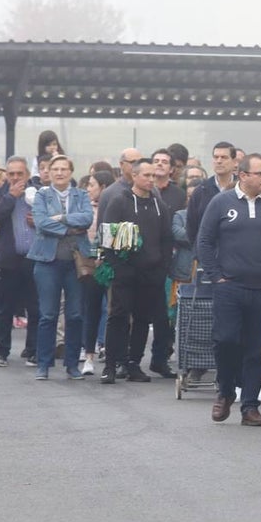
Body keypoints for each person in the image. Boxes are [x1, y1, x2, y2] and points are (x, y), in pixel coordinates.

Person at [197, 153, 261, 426]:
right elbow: (204, 241)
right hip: (229, 287)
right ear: (243, 175)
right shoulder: (221, 203)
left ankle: (250, 406)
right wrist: (215, 276)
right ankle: (226, 391)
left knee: (256, 348)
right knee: (226, 340)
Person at [99, 158, 174, 384]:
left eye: (154, 176)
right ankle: (111, 365)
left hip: (151, 274)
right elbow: (107, 237)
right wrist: (117, 267)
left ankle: (133, 364)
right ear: (134, 176)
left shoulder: (159, 205)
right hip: (124, 272)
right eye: (147, 175)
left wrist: (162, 269)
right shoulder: (119, 202)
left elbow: (166, 240)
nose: (152, 180)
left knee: (142, 319)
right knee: (118, 316)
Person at [27, 154, 93, 381]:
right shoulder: (41, 196)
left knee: (75, 315)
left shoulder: (81, 194)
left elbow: (86, 219)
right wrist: (67, 229)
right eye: (55, 169)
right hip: (47, 262)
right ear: (49, 171)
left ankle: (72, 364)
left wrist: (62, 217)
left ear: (71, 172)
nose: (59, 172)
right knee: (48, 315)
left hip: (76, 264)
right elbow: (41, 223)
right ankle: (43, 364)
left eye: (64, 169)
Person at [0, 157, 40, 367]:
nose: (16, 177)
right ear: (6, 175)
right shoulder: (0, 194)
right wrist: (11, 197)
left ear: (26, 174)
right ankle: (2, 351)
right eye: (12, 174)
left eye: (20, 173)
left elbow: (53, 215)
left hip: (34, 258)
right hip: (9, 260)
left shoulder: (38, 192)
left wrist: (39, 220)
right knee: (6, 307)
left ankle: (33, 350)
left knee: (35, 307)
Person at [79, 170, 115, 376]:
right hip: (90, 264)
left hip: (111, 265)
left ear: (103, 187)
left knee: (112, 311)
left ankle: (109, 351)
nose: (88, 189)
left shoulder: (115, 206)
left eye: (92, 185)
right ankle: (88, 354)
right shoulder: (86, 208)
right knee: (90, 309)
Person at [186, 142, 240, 246]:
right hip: (207, 255)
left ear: (234, 162)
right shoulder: (201, 190)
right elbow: (191, 228)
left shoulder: (242, 189)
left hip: (236, 255)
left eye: (224, 157)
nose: (219, 161)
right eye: (216, 157)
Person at [152, 148, 187, 213]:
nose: (159, 164)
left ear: (171, 169)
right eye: (156, 161)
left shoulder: (180, 194)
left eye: (164, 162)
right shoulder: (143, 189)